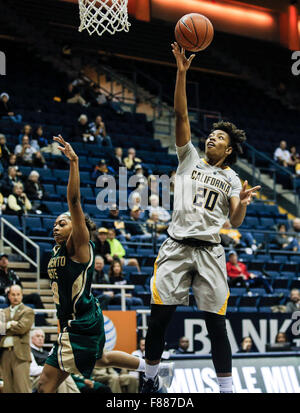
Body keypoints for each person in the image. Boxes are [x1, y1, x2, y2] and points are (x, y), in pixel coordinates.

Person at [141, 42, 260, 394]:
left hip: (209, 252)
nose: (212, 137)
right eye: (211, 134)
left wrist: (242, 205)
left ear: (229, 150)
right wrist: (181, 73)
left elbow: (235, 223)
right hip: (176, 247)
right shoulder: (189, 158)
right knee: (159, 319)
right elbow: (180, 117)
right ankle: (148, 379)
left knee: (215, 326)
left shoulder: (233, 179)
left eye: (219, 137)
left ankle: (226, 389)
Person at [37, 135, 171, 393]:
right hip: (75, 321)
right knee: (102, 359)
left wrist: (74, 162)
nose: (56, 226)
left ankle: (151, 372)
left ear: (76, 227)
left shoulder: (80, 245)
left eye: (62, 223)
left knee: (46, 384)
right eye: (54, 223)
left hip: (82, 322)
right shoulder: (57, 250)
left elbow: (74, 202)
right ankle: (152, 370)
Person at [0, 285, 34, 392]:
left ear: (22, 296)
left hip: (20, 354)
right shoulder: (3, 312)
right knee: (7, 388)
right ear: (9, 296)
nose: (16, 297)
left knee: (22, 387)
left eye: (18, 294)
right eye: (13, 294)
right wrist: (10, 324)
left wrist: (5, 326)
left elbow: (22, 328)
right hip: (4, 354)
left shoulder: (28, 311)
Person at [30, 329, 80, 393]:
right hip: (37, 377)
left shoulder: (46, 352)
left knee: (61, 375)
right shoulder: (29, 351)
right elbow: (32, 370)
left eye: (42, 337)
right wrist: (50, 369)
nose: (40, 338)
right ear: (31, 338)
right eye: (38, 336)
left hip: (48, 375)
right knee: (57, 376)